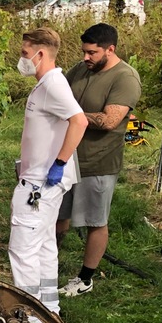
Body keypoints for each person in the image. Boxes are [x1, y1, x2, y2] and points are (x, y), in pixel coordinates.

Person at [56, 23, 142, 296]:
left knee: (95, 221)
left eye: (92, 52)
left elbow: (109, 120)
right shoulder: (82, 69)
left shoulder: (125, 78)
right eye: (84, 51)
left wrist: (72, 115)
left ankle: (85, 278)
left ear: (110, 49)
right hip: (67, 157)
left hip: (98, 162)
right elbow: (58, 93)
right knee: (58, 214)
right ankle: (48, 262)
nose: (85, 57)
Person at [9, 28, 87, 317]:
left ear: (41, 54)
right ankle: (49, 308)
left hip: (39, 185)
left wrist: (60, 162)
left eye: (25, 53)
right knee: (43, 245)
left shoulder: (53, 84)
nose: (22, 58)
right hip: (42, 182)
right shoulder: (47, 84)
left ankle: (30, 317)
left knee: (23, 250)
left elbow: (79, 122)